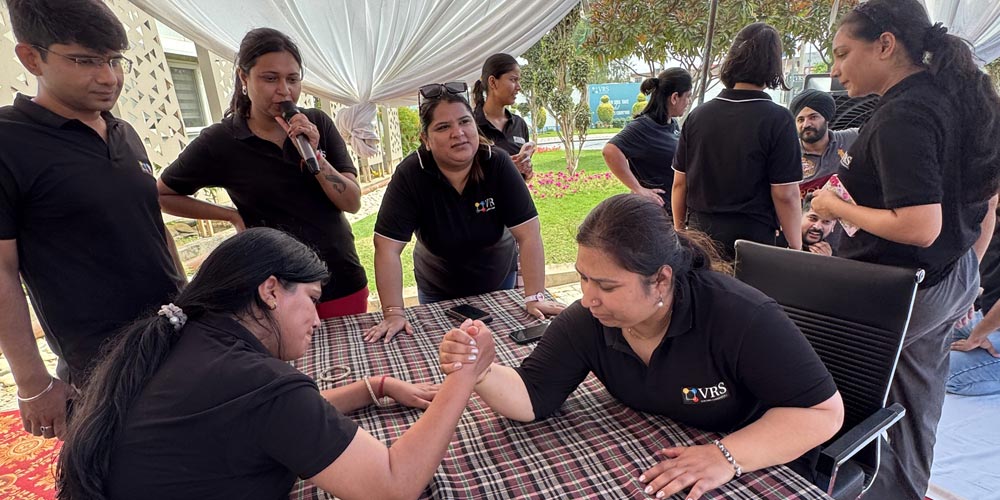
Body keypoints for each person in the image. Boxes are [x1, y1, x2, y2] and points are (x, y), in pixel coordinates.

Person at [440, 194, 844, 500]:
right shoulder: (592, 319)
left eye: (607, 285)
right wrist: (481, 370)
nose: (587, 298)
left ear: (662, 280)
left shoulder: (739, 316)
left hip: (757, 465)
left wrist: (726, 455)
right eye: (583, 278)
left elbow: (822, 413)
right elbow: (533, 396)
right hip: (664, 462)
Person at [55, 227, 495, 500]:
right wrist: (464, 375)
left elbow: (267, 417)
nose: (317, 322)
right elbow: (394, 485)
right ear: (270, 291)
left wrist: (373, 386)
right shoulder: (257, 382)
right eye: (312, 301)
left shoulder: (190, 339)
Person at [809, 1, 1000, 496]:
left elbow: (919, 225)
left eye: (843, 52)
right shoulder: (941, 97)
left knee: (831, 385)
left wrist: (835, 207)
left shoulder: (905, 114)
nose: (835, 68)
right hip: (945, 277)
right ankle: (903, 490)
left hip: (906, 288)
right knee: (917, 402)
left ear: (886, 45)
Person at [0, 0, 184, 440]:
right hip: (100, 367)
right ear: (31, 57)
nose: (109, 77)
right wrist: (31, 383)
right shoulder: (9, 141)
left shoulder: (124, 132)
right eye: (85, 61)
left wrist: (189, 297)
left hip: (175, 334)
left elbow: (152, 225)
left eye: (114, 60)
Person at [157, 28, 368, 319]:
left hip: (340, 277)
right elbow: (163, 194)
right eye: (270, 78)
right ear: (244, 78)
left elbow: (352, 202)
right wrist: (230, 215)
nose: (284, 91)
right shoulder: (222, 140)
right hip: (272, 289)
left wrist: (315, 154)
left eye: (292, 79)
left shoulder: (318, 123)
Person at [365, 86, 564, 343]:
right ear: (425, 138)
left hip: (498, 279)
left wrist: (535, 296)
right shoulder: (411, 174)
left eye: (464, 122)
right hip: (437, 287)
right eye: (443, 127)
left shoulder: (498, 164)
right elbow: (386, 247)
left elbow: (529, 234)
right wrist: (393, 313)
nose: (458, 133)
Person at [671, 22, 803, 259]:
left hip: (701, 235)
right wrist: (796, 247)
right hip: (753, 240)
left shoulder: (697, 116)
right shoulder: (779, 119)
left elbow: (680, 183)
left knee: (706, 294)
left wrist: (680, 232)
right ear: (773, 65)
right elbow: (786, 194)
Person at [603, 67, 692, 210]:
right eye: (687, 96)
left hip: (674, 210)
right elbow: (610, 151)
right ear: (674, 97)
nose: (688, 101)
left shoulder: (672, 123)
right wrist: (638, 189)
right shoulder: (643, 127)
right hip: (656, 213)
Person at [949, 204, 1000, 396]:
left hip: (990, 325)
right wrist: (966, 294)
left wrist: (978, 335)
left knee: (944, 376)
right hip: (987, 315)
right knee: (919, 339)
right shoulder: (989, 209)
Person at [472, 53, 535, 180]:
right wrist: (505, 168)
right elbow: (464, 176)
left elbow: (522, 178)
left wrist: (526, 170)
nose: (519, 87)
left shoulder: (519, 124)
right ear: (493, 82)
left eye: (519, 80)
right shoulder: (471, 125)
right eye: (513, 80)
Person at [789, 89, 858, 198]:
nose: (806, 124)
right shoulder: (787, 153)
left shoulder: (853, 138)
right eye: (800, 120)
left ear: (827, 118)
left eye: (813, 117)